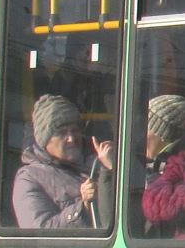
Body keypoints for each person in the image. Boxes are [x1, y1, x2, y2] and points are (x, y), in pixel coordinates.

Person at [10, 93, 114, 231]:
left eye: (75, 130)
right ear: (44, 140)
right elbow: (38, 233)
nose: (71, 138)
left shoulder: (97, 160)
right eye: (61, 133)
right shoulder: (29, 178)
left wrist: (112, 169)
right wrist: (82, 208)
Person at [139, 92, 185, 239]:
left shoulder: (181, 163)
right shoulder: (150, 162)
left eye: (146, 127)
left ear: (163, 135)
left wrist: (114, 171)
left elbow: (152, 206)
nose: (140, 135)